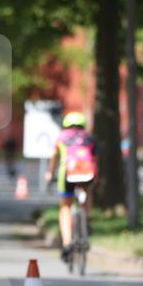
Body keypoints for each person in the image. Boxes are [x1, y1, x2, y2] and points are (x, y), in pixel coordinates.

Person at [44, 111, 99, 261]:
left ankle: (67, 242)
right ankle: (86, 219)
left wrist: (50, 174)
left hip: (68, 174)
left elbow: (54, 158)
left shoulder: (62, 138)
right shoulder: (90, 138)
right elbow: (95, 159)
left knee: (65, 207)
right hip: (87, 174)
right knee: (87, 192)